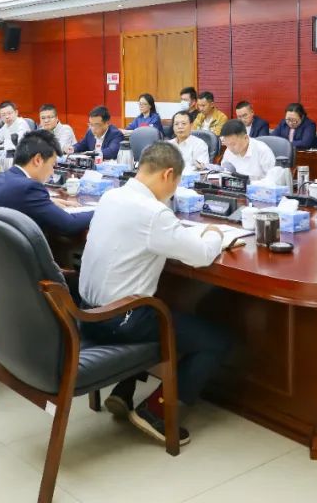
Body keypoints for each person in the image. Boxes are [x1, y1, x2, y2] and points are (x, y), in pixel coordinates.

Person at [79, 142, 232, 445]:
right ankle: (155, 411)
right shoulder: (153, 213)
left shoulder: (111, 196)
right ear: (168, 175)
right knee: (217, 341)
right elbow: (202, 255)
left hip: (87, 313)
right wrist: (215, 233)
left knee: (158, 305)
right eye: (176, 184)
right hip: (120, 321)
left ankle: (124, 390)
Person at [0, 129, 92, 235]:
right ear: (38, 160)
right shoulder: (29, 188)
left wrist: (46, 203)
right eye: (52, 165)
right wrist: (100, 211)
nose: (52, 172)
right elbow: (69, 224)